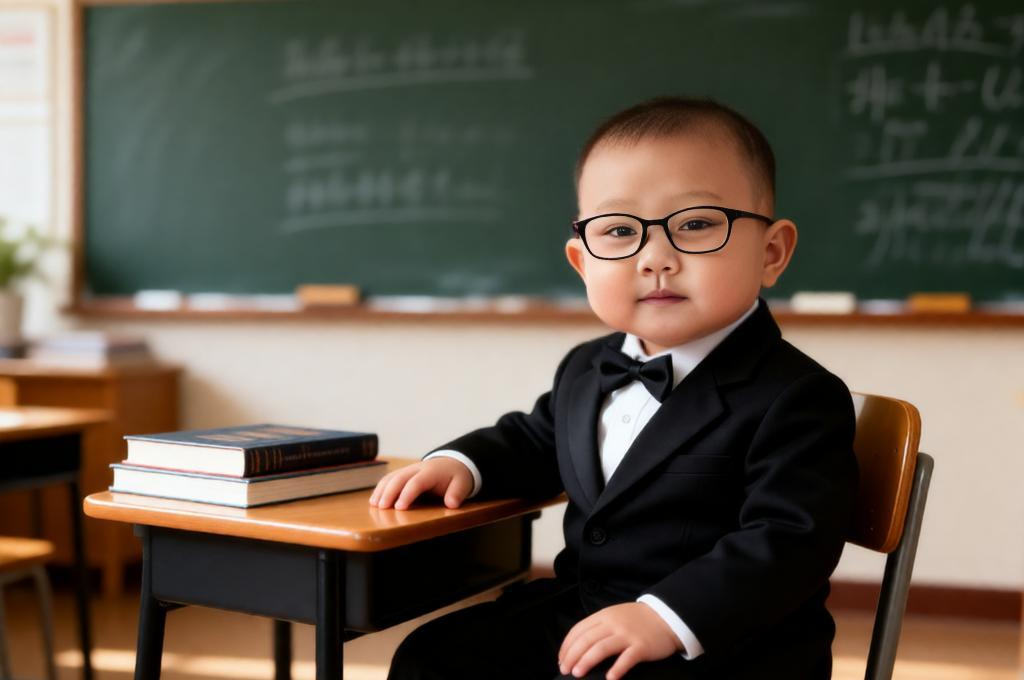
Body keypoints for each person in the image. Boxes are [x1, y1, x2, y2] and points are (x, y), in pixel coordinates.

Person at [369, 96, 858, 680]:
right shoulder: (586, 367)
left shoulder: (798, 395)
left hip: (722, 639)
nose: (656, 258)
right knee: (432, 656)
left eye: (696, 224)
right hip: (586, 608)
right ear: (582, 263)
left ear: (771, 253)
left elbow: (787, 544)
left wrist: (665, 618)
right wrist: (463, 464)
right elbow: (533, 440)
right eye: (620, 230)